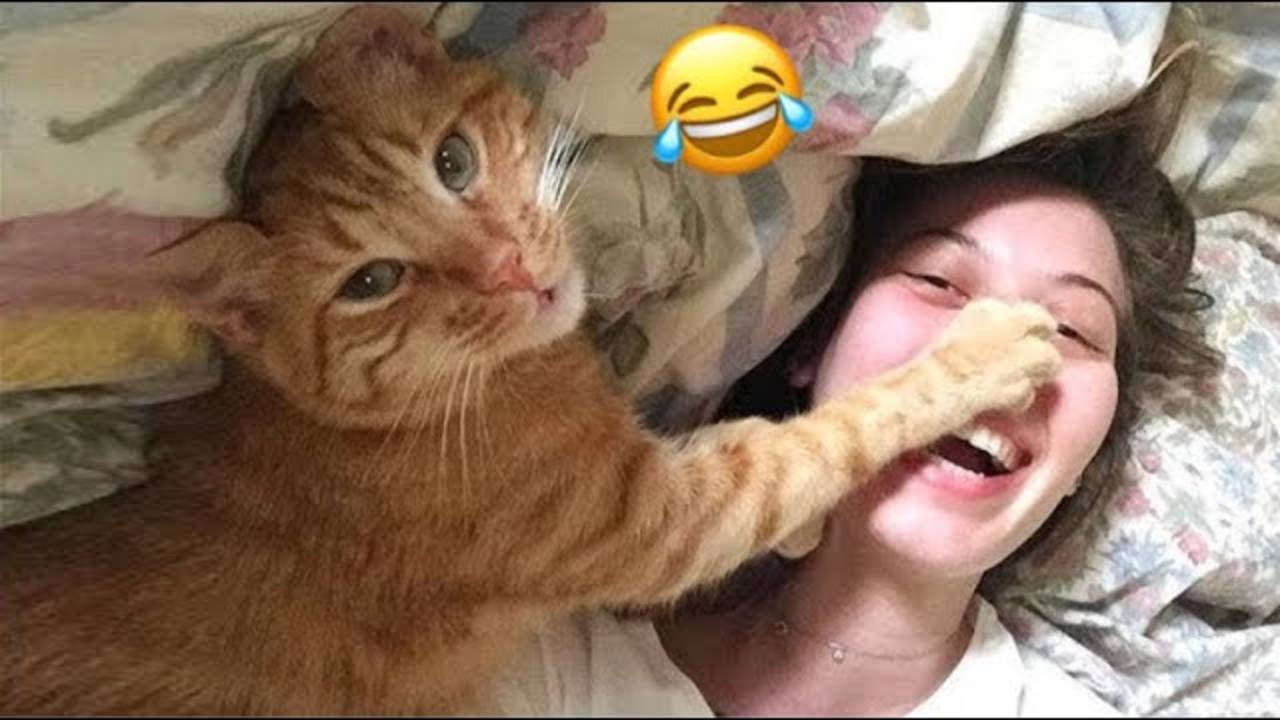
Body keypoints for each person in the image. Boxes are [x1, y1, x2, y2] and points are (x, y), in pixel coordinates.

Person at [487, 44, 1221, 718]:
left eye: (1069, 331)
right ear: (812, 343)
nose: (998, 368)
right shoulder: (527, 664)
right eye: (939, 282)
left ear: (1086, 462)